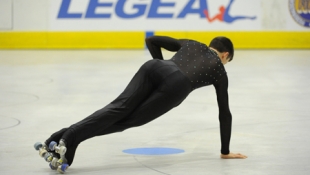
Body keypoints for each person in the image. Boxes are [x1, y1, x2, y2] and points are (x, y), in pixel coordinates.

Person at [43, 35, 247, 170]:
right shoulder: (220, 70)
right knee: (127, 120)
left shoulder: (193, 43)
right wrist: (225, 151)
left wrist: (165, 68)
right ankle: (70, 137)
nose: (224, 63)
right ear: (225, 54)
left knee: (117, 109)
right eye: (226, 60)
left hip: (155, 66)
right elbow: (224, 113)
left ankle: (62, 136)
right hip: (177, 85)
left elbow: (151, 40)